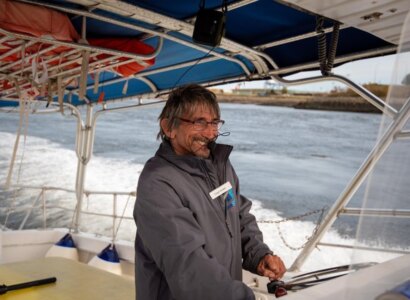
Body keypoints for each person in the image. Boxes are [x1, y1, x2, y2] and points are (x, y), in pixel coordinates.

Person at [134, 84, 286, 300]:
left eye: (214, 122)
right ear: (169, 127)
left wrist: (258, 254)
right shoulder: (157, 183)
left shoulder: (220, 166)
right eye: (199, 122)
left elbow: (238, 215)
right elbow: (187, 265)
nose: (211, 133)